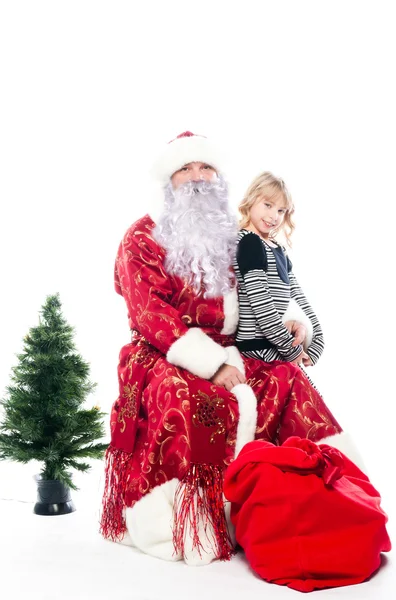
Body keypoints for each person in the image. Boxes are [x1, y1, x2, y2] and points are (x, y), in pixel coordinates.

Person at [100, 132, 356, 567]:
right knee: (193, 399)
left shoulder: (232, 238)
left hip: (233, 347)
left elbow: (261, 295)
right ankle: (194, 519)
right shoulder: (141, 237)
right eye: (186, 168)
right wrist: (212, 364)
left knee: (286, 378)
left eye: (206, 167)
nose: (198, 177)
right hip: (162, 351)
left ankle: (322, 500)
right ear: (169, 180)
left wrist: (291, 320)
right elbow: (150, 314)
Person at [234, 172, 322, 368]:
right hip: (256, 349)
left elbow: (298, 297)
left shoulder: (277, 249)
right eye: (268, 205)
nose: (274, 216)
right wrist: (291, 349)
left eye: (281, 211)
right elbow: (261, 306)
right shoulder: (250, 242)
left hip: (276, 346)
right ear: (251, 200)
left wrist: (317, 341)